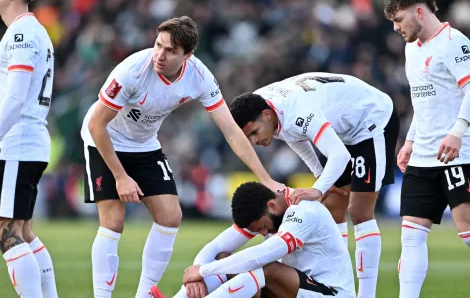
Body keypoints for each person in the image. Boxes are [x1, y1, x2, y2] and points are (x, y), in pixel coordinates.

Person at [80, 16, 281, 298]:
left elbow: (232, 132)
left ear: (188, 55)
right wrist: (120, 176)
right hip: (105, 139)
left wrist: (265, 178)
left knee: (170, 216)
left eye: (170, 51)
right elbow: (96, 125)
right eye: (157, 45)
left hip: (144, 144)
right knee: (113, 221)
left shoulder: (199, 77)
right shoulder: (132, 70)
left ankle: (145, 295)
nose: (159, 55)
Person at [229, 73, 400, 298]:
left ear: (267, 115)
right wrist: (319, 174)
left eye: (254, 133)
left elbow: (339, 155)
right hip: (343, 128)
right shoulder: (264, 107)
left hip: (371, 119)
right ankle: (339, 285)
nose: (254, 142)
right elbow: (294, 135)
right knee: (331, 208)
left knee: (359, 211)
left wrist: (317, 188)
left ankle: (366, 295)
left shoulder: (294, 109)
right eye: (247, 137)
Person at [384, 0, 470, 298]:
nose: (396, 28)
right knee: (411, 236)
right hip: (423, 155)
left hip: (459, 155)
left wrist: (457, 132)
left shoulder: (453, 42)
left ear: (420, 11)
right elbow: (424, 103)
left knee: (467, 232)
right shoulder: (411, 49)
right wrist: (409, 141)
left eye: (399, 19)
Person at [151, 182, 355, 298]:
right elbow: (216, 248)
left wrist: (205, 271)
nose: (265, 232)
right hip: (298, 291)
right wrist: (198, 273)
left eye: (263, 228)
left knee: (266, 268)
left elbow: (264, 255)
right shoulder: (268, 211)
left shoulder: (304, 210)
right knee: (225, 259)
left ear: (271, 206)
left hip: (331, 293)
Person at [0, 0, 58, 298]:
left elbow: (16, 99)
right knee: (23, 230)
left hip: (18, 141)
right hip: (29, 141)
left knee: (7, 231)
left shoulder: (21, 32)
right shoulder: (29, 30)